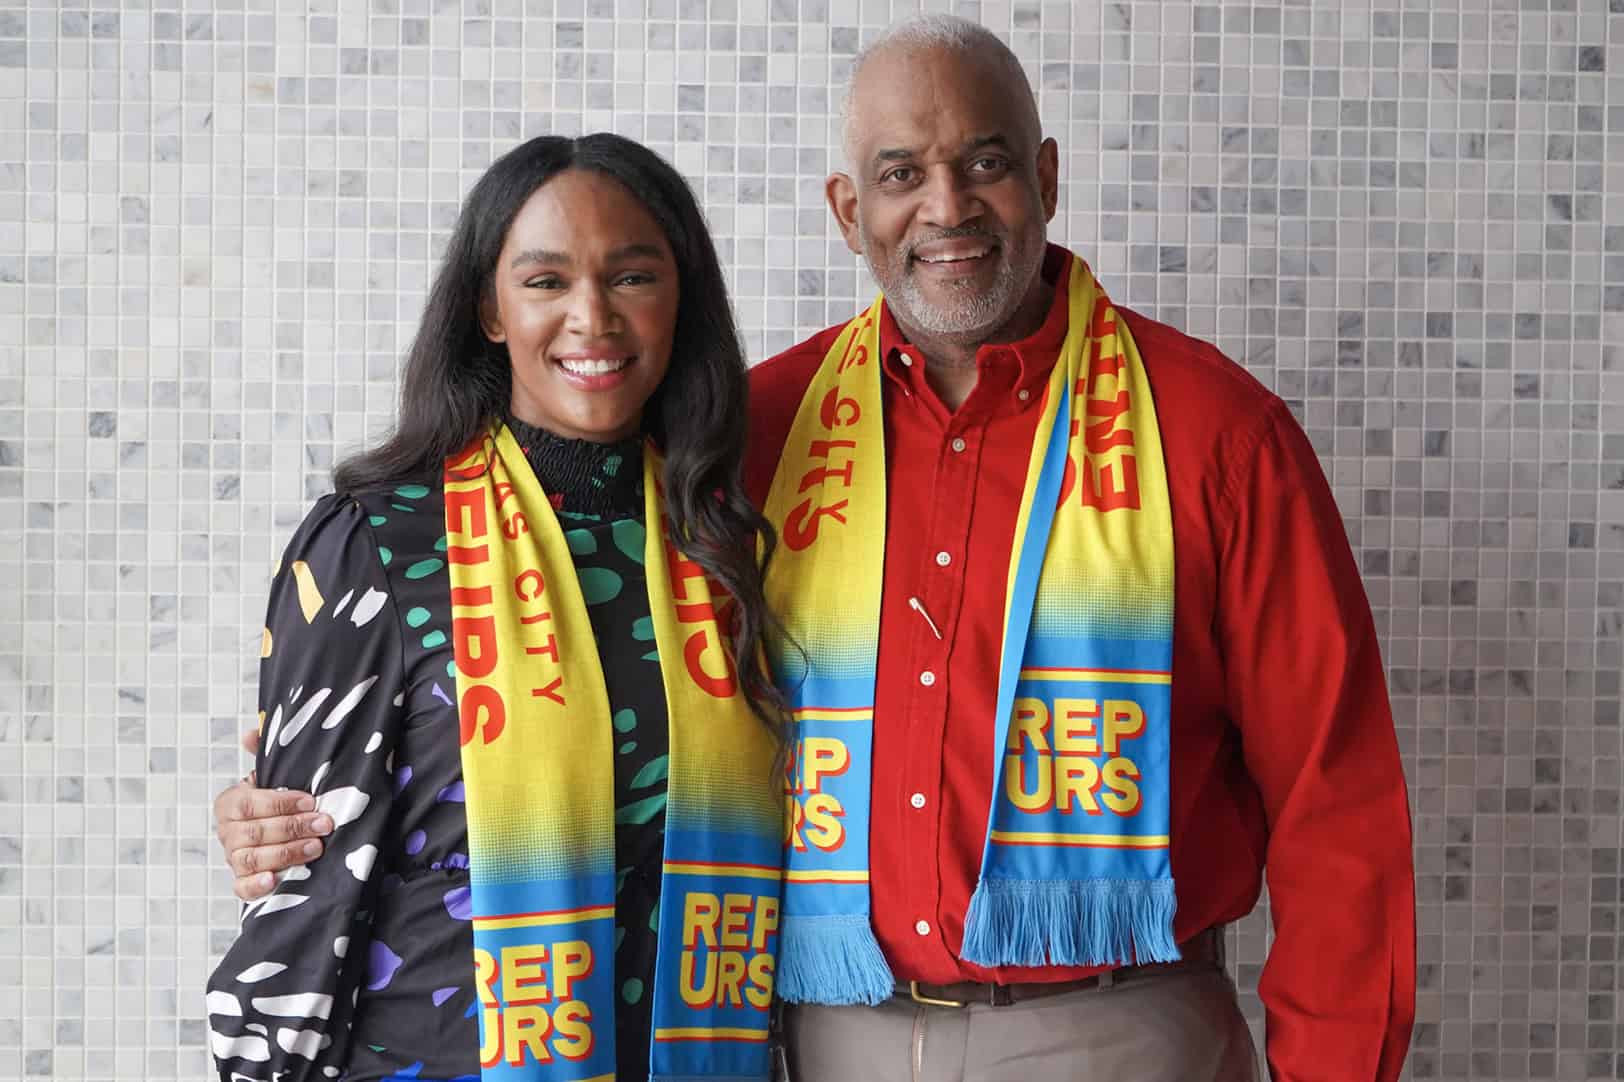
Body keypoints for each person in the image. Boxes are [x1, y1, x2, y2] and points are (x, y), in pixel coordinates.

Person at [216, 14, 1417, 1081]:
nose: (946, 207)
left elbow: (1337, 805)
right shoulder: (753, 439)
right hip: (821, 1038)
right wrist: (283, 806)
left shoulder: (1212, 435)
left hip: (1115, 1034)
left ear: (1045, 175)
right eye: (900, 173)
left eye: (985, 162)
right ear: (849, 211)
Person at [204, 132, 789, 1082]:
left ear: (680, 297)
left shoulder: (727, 544)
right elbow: (301, 880)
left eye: (632, 277)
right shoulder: (377, 543)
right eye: (546, 281)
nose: (592, 317)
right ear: (489, 308)